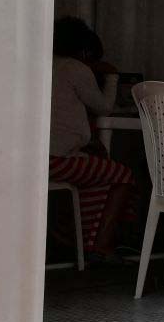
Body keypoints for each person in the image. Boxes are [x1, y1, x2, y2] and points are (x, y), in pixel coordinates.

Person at [48, 17, 134, 259]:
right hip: (57, 160)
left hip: (39, 158)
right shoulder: (76, 69)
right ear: (84, 49)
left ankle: (76, 239)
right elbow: (104, 107)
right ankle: (100, 245)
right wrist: (112, 75)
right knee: (122, 175)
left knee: (97, 167)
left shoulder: (45, 65)